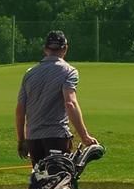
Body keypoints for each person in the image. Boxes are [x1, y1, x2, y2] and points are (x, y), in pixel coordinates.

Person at [15, 30, 98, 164]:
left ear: (45, 49)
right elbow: (70, 103)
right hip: (57, 136)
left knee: (40, 179)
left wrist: (21, 140)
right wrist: (84, 136)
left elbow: (20, 110)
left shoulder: (29, 74)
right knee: (61, 179)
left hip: (33, 139)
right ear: (65, 48)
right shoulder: (69, 72)